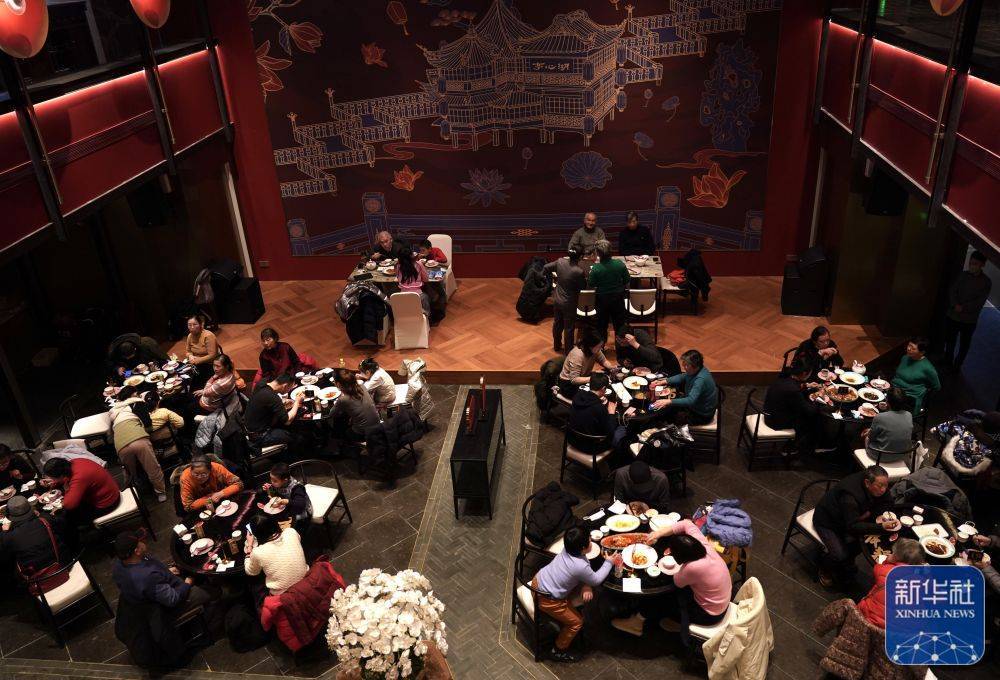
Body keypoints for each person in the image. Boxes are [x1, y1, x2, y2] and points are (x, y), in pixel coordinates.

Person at [617, 519, 731, 645]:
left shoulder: (692, 568)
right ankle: (675, 621)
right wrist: (658, 533)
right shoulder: (703, 545)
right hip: (721, 602)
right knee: (671, 592)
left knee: (663, 596)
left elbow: (677, 583)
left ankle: (636, 623)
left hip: (708, 614)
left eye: (673, 553)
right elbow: (687, 523)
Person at [532, 526, 623, 662]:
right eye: (589, 540)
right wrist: (609, 562)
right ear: (583, 548)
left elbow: (579, 573)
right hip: (548, 600)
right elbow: (596, 580)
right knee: (577, 622)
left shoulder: (567, 549)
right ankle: (558, 650)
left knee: (578, 590)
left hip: (538, 580)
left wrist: (586, 585)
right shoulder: (580, 566)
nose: (591, 540)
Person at [812, 465, 894, 588]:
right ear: (867, 483)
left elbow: (888, 502)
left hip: (850, 517)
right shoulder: (849, 496)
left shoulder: (878, 483)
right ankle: (824, 568)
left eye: (886, 485)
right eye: (880, 486)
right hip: (828, 521)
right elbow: (853, 526)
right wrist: (882, 527)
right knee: (839, 554)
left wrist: (869, 513)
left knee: (861, 543)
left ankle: (846, 562)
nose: (884, 490)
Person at [113, 530, 214, 611]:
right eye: (141, 541)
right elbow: (173, 599)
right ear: (137, 551)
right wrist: (187, 583)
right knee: (210, 591)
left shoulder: (120, 563)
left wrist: (165, 572)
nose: (144, 541)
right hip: (166, 606)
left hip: (156, 591)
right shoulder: (147, 577)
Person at [110, 394, 168, 502]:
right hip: (138, 439)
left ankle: (134, 492)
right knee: (152, 468)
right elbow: (148, 425)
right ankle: (161, 492)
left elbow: (110, 436)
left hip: (121, 445)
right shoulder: (136, 406)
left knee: (129, 472)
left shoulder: (113, 415)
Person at [857, 538, 924, 628]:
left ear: (895, 557)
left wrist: (887, 560)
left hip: (866, 617)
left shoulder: (884, 570)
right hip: (890, 628)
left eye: (893, 553)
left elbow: (877, 567)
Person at [244, 515, 309, 602]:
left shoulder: (258, 552)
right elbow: (297, 540)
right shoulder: (291, 532)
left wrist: (249, 546)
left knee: (254, 582)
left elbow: (250, 571)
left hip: (284, 596)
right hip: (307, 582)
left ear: (257, 535)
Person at [945, 250, 991, 369]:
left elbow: (979, 302)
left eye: (975, 264)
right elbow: (953, 290)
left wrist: (963, 307)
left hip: (969, 320)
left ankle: (957, 365)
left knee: (964, 345)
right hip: (954, 315)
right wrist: (955, 304)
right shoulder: (963, 275)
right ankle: (948, 361)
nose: (972, 266)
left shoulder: (986, 282)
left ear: (982, 265)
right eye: (971, 263)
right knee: (950, 340)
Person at [41, 457, 121, 526]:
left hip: (108, 503)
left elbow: (69, 505)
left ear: (61, 476)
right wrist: (54, 481)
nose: (51, 479)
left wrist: (66, 490)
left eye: (53, 478)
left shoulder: (79, 477)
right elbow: (67, 479)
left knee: (66, 517)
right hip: (109, 490)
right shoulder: (73, 462)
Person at [0, 495, 68, 575]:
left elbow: (5, 559)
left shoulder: (7, 537)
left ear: (11, 517)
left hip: (35, 579)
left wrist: (4, 532)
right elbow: (64, 525)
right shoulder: (46, 520)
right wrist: (40, 515)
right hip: (63, 565)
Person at [762, 360, 819, 453]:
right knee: (812, 418)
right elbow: (809, 410)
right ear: (804, 374)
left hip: (769, 412)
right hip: (775, 422)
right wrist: (817, 398)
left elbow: (792, 387)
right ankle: (790, 448)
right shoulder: (794, 391)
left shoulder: (783, 378)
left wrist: (806, 385)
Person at [648, 350, 717, 425]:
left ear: (695, 367)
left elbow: (690, 400)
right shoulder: (697, 369)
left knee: (668, 417)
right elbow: (683, 376)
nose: (684, 366)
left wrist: (668, 401)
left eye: (686, 365)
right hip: (695, 406)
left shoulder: (700, 380)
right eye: (684, 363)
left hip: (701, 415)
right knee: (669, 406)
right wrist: (663, 381)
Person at [568, 373, 626, 450]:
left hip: (572, 439)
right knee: (622, 428)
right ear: (604, 388)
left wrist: (598, 400)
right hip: (591, 447)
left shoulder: (577, 396)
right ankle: (617, 455)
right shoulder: (599, 408)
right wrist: (611, 413)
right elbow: (610, 432)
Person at [544, 248, 586, 353]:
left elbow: (545, 267)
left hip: (557, 300)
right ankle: (568, 351)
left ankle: (557, 346)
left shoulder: (560, 261)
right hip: (569, 303)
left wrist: (551, 282)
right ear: (580, 257)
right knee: (569, 328)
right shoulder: (579, 271)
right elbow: (582, 288)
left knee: (557, 324)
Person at [245, 374, 302, 450]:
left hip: (249, 427)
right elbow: (287, 421)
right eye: (290, 388)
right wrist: (297, 402)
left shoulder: (261, 384)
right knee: (296, 437)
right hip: (259, 436)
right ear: (285, 386)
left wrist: (282, 402)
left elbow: (265, 402)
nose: (289, 391)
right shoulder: (273, 397)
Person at [589, 239, 630, 342]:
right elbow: (627, 280)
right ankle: (620, 348)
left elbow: (591, 284)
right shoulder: (620, 264)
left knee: (601, 325)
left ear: (598, 253)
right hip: (618, 299)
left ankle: (601, 347)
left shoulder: (596, 268)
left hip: (602, 300)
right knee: (619, 325)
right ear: (611, 250)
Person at [557, 330, 618, 398]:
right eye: (599, 346)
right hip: (568, 384)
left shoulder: (595, 350)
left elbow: (603, 361)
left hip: (583, 376)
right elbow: (574, 379)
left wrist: (611, 367)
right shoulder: (577, 355)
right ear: (590, 346)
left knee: (604, 385)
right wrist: (593, 378)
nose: (601, 348)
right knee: (594, 395)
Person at [330, 368, 380, 443]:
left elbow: (331, 414)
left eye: (334, 381)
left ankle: (344, 442)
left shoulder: (343, 399)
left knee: (340, 424)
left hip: (363, 433)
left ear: (338, 384)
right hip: (377, 425)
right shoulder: (362, 386)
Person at [892, 337, 940, 414]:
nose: (909, 349)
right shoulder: (905, 357)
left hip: (909, 397)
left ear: (922, 352)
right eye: (909, 345)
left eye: (913, 348)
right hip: (894, 390)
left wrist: (923, 393)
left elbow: (936, 387)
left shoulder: (928, 368)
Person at [178, 455, 242, 512]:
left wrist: (222, 493)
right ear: (191, 470)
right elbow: (188, 506)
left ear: (210, 471)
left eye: (203, 474)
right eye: (196, 474)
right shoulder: (185, 478)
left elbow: (239, 484)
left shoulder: (217, 468)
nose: (199, 478)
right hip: (202, 508)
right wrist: (208, 500)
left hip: (222, 498)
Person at [863, 388, 914, 459]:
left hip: (880, 456)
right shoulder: (909, 415)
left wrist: (869, 432)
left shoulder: (879, 417)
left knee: (866, 436)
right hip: (902, 455)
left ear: (887, 402)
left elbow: (871, 437)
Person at [261, 462, 312, 530]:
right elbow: (276, 494)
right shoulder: (279, 482)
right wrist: (269, 489)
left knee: (291, 527)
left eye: (275, 481)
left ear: (285, 480)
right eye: (271, 479)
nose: (272, 482)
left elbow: (301, 504)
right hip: (289, 507)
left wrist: (286, 501)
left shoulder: (297, 488)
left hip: (302, 511)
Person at [184, 315, 219, 386]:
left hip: (209, 364)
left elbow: (212, 355)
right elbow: (188, 351)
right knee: (185, 378)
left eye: (195, 324)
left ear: (201, 325)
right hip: (195, 363)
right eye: (189, 325)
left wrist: (197, 361)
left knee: (200, 384)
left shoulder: (208, 336)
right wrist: (190, 356)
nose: (192, 327)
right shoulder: (190, 336)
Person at [397, 250, 431, 318]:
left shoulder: (398, 266)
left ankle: (409, 315)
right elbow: (426, 279)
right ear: (411, 256)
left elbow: (399, 278)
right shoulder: (418, 264)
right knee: (426, 296)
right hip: (419, 296)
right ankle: (426, 317)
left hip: (402, 296)